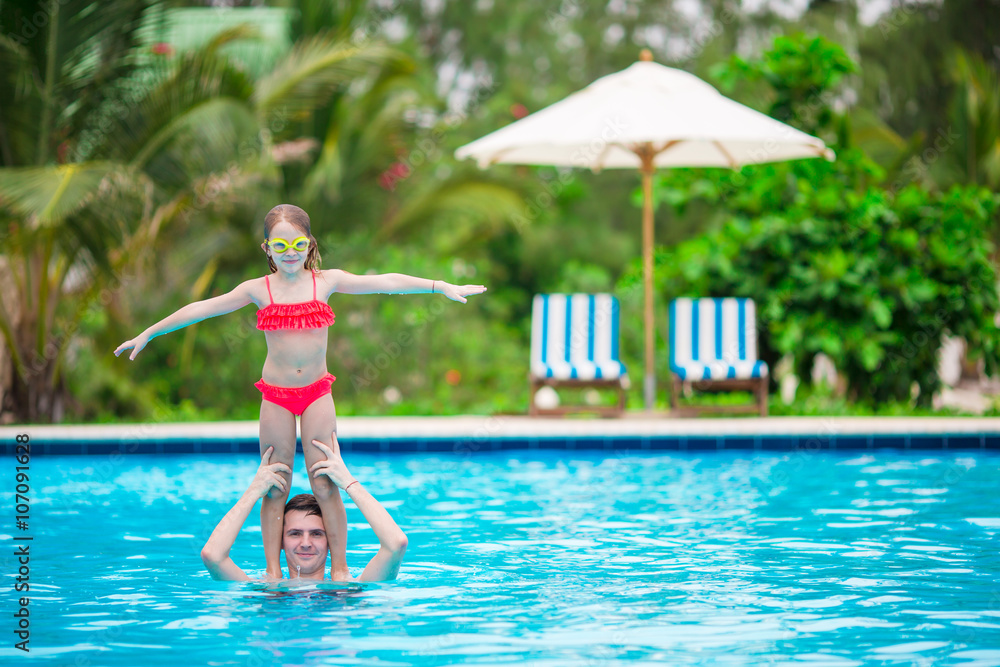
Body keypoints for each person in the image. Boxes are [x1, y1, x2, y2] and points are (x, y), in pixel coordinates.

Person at [116, 204, 484, 578]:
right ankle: (274, 572)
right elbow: (202, 309)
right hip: (276, 395)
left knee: (325, 479)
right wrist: (150, 332)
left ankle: (339, 569)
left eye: (297, 243)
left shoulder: (324, 281)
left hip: (317, 393)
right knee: (275, 483)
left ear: (309, 244)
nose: (290, 251)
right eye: (280, 244)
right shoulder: (258, 289)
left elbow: (385, 282)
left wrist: (440, 286)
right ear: (267, 249)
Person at [201, 432, 407, 582]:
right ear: (280, 540)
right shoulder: (267, 590)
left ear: (330, 541)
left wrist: (348, 482)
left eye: (317, 534)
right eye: (295, 534)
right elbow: (213, 555)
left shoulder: (348, 589)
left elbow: (396, 544)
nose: (306, 543)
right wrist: (254, 491)